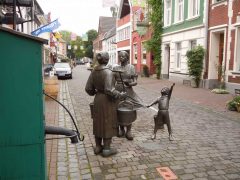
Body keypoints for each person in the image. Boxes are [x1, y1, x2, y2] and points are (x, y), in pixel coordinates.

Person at [85, 52, 126, 157]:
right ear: (107, 60)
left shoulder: (94, 71)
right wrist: (120, 95)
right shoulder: (109, 72)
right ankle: (106, 149)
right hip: (107, 101)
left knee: (98, 121)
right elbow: (109, 90)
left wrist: (95, 92)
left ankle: (98, 146)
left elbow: (88, 88)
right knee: (108, 121)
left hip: (98, 99)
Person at [113, 51, 142, 140]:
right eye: (120, 56)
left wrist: (129, 84)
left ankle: (129, 130)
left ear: (127, 57)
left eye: (123, 56)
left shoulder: (131, 67)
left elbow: (135, 82)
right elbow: (112, 81)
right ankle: (121, 129)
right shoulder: (115, 67)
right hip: (118, 90)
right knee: (118, 109)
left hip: (128, 90)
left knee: (129, 109)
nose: (121, 58)